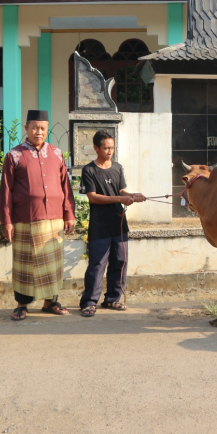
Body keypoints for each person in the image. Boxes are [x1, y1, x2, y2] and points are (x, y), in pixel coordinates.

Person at [0, 110, 76, 320]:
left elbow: (65, 186)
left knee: (52, 263)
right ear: (26, 128)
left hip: (54, 219)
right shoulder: (14, 155)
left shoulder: (57, 154)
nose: (38, 132)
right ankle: (22, 304)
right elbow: (6, 190)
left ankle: (51, 302)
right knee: (25, 264)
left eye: (42, 128)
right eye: (34, 127)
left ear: (47, 128)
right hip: (25, 219)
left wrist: (69, 214)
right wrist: (6, 220)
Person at [78, 130, 146, 317]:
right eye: (106, 148)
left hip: (119, 223)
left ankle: (112, 299)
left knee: (120, 261)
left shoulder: (117, 167)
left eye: (112, 148)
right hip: (100, 225)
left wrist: (132, 195)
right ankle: (89, 302)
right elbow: (93, 197)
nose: (110, 151)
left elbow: (122, 190)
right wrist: (119, 198)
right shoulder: (89, 170)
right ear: (96, 148)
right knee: (97, 264)